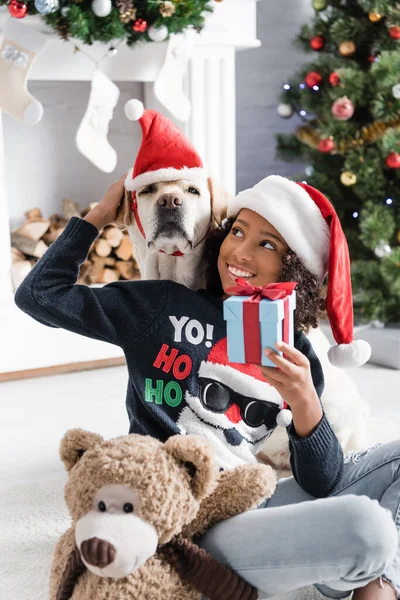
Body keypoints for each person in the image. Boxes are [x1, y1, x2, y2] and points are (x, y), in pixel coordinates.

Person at [15, 173, 399, 599]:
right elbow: (39, 296)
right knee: (368, 528)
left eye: (266, 244)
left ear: (296, 269)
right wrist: (99, 216)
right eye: (237, 232)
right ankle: (352, 559)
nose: (240, 251)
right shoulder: (162, 307)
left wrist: (306, 402)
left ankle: (376, 581)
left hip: (251, 502)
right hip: (181, 522)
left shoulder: (299, 352)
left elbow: (321, 481)